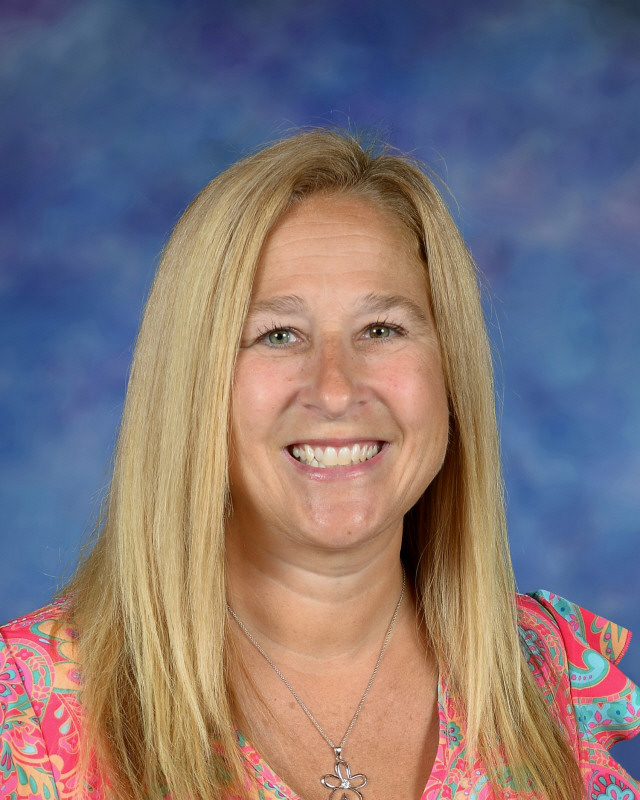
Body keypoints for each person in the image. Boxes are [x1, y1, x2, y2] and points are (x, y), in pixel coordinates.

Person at [1, 129, 638, 800]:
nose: (336, 389)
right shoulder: (29, 709)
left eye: (383, 329)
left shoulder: (545, 673)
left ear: (449, 373)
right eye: (278, 335)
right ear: (194, 388)